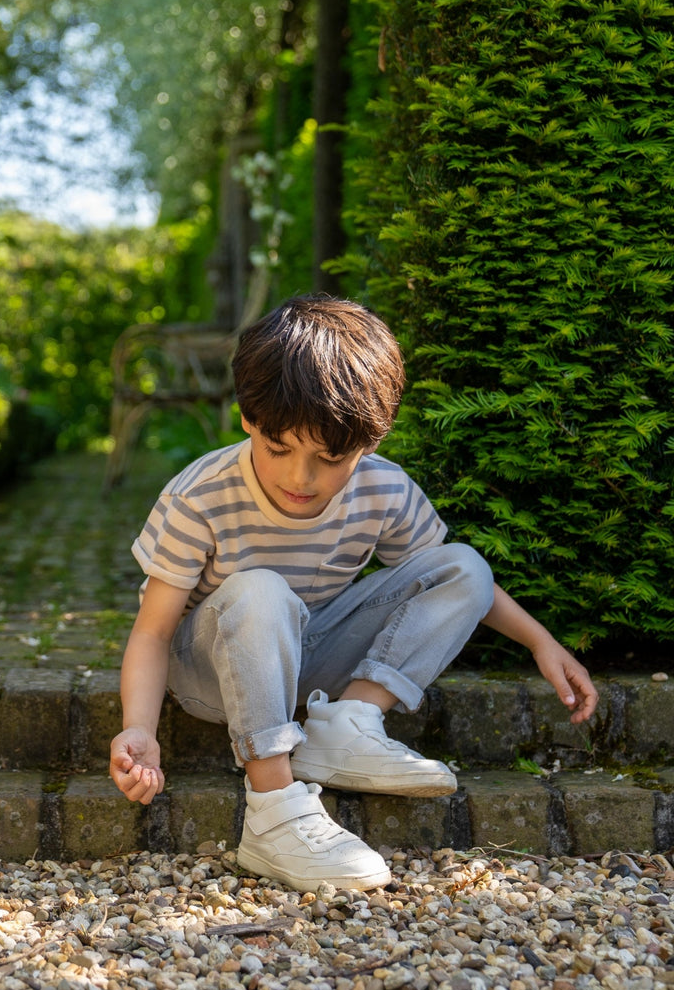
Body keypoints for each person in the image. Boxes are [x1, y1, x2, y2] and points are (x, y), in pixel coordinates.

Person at [109, 294, 598, 892]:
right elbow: (154, 631)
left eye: (329, 457)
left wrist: (540, 642)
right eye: (279, 448)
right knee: (261, 592)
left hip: (308, 660)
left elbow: (448, 583)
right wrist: (140, 727)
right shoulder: (200, 498)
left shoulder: (384, 490)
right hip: (212, 669)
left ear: (368, 441)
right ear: (247, 418)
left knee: (464, 565)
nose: (299, 478)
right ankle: (273, 806)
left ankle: (347, 722)